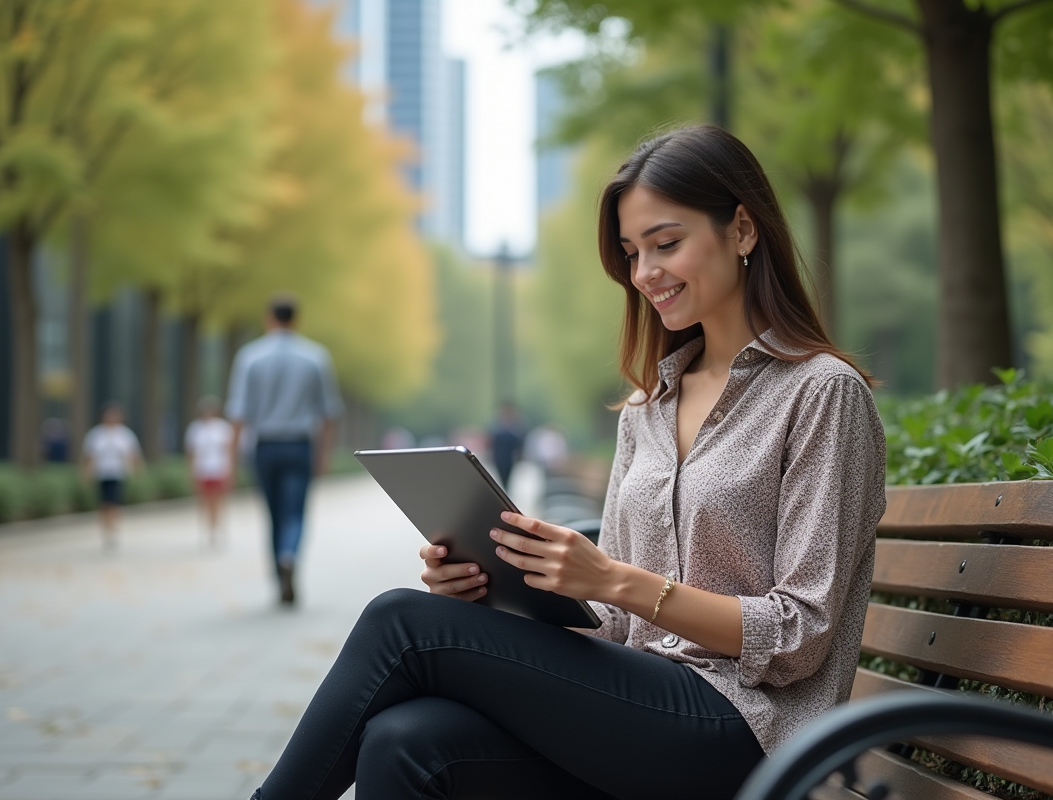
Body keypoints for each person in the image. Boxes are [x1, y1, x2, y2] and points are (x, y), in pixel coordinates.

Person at [249, 125, 887, 800]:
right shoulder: (649, 404)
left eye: (666, 243)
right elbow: (614, 627)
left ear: (743, 230)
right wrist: (499, 592)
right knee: (404, 740)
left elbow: (800, 636)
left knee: (400, 623)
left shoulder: (821, 393)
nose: (645, 274)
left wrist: (615, 580)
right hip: (642, 715)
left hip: (748, 734)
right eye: (632, 252)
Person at [226, 294, 343, 606]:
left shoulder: (250, 356)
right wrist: (323, 454)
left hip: (264, 446)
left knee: (273, 514)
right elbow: (329, 412)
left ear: (269, 318)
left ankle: (279, 576)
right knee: (295, 512)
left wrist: (231, 457)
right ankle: (289, 555)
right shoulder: (316, 357)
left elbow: (239, 412)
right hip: (299, 445)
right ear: (296, 319)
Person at [82, 403, 143, 551]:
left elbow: (133, 455)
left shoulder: (125, 434)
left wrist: (136, 470)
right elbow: (89, 456)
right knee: (104, 504)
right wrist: (86, 473)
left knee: (114, 503)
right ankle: (106, 531)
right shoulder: (96, 434)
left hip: (117, 473)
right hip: (102, 473)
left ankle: (114, 528)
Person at [185, 396, 235, 548]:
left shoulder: (222, 428)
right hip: (202, 470)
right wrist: (191, 472)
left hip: (218, 469)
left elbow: (228, 450)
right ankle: (208, 530)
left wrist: (230, 469)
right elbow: (191, 453)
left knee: (219, 502)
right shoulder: (195, 429)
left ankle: (219, 529)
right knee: (205, 502)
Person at [489, 401, 525, 487]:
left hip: (510, 458)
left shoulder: (517, 424)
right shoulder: (496, 424)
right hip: (499, 458)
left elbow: (520, 442)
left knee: (510, 480)